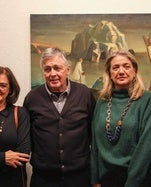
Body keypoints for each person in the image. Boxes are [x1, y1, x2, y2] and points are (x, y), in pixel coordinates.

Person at [23, 47, 96, 187]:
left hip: (80, 178)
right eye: (47, 69)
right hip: (44, 179)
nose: (52, 74)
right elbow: (28, 136)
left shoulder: (84, 94)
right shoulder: (32, 98)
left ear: (68, 70)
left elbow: (93, 133)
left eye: (57, 68)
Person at [91, 50, 151, 187]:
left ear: (134, 70)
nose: (121, 71)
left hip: (135, 181)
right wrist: (94, 179)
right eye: (115, 67)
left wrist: (132, 183)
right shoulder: (102, 101)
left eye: (126, 66)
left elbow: (146, 148)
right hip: (105, 181)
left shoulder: (146, 100)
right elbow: (95, 143)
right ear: (109, 73)